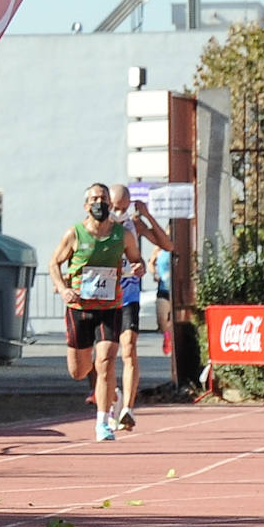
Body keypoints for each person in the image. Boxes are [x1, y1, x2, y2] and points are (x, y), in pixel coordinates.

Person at [48, 183, 143, 442]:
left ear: (109, 204)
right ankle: (111, 392)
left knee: (106, 361)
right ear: (86, 205)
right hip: (79, 308)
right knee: (79, 371)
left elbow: (137, 260)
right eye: (94, 199)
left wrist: (138, 268)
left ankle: (103, 422)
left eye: (103, 198)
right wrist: (63, 288)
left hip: (109, 307)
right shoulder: (75, 234)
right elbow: (54, 263)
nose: (99, 203)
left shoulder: (123, 235)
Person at [108, 184, 172, 432]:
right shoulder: (97, 226)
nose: (118, 213)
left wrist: (147, 215)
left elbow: (167, 244)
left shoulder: (134, 224)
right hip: (104, 297)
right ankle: (111, 398)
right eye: (114, 208)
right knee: (103, 356)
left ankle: (128, 408)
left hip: (129, 295)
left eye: (123, 208)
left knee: (129, 348)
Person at [151, 244, 173, 355]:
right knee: (162, 319)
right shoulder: (158, 249)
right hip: (163, 289)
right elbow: (151, 263)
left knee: (173, 319)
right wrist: (154, 274)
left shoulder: (177, 247)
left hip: (176, 289)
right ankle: (167, 336)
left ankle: (171, 339)